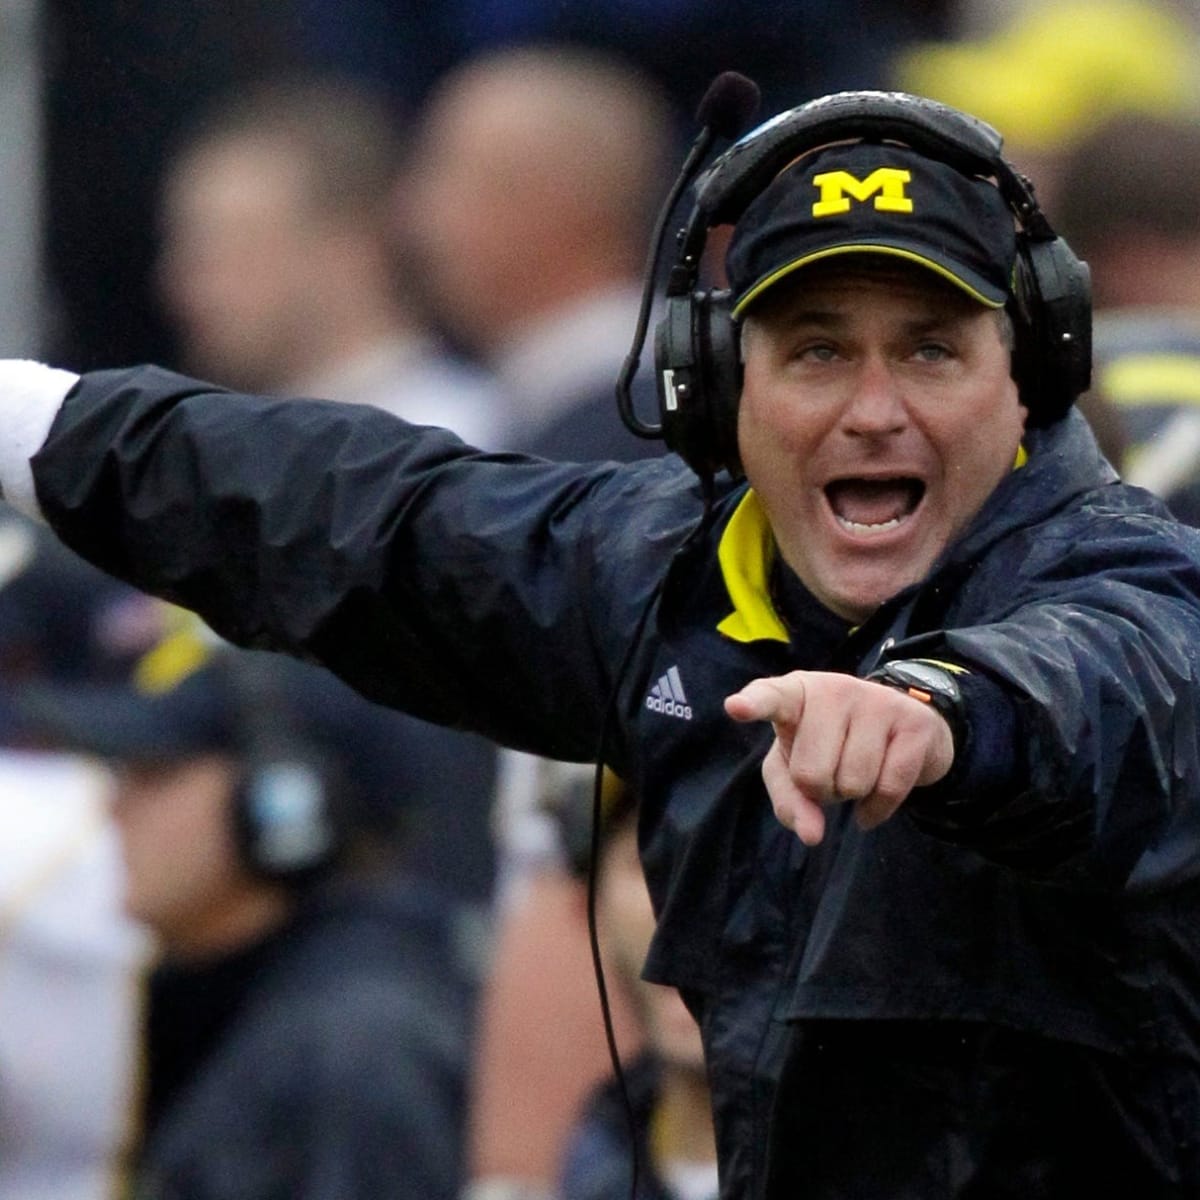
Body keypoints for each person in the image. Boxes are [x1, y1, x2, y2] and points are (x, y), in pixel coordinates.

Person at [4, 86, 1200, 1197]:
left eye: (930, 348)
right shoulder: (656, 573)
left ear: (1030, 377)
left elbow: (1109, 679)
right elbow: (346, 510)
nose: (873, 408)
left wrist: (941, 710)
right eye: (820, 349)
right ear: (721, 385)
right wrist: (25, 420)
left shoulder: (1132, 581)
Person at [18, 628, 477, 1200]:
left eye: (155, 774)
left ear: (284, 803)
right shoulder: (270, 1003)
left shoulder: (359, 1047)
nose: (114, 806)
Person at [555, 776, 717, 1200]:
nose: (680, 907)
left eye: (726, 864)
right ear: (589, 904)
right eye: (651, 866)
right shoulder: (597, 1163)